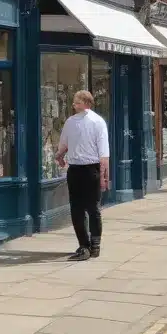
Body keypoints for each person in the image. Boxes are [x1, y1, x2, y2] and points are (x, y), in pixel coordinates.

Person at [54, 90, 110, 261]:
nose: (73, 105)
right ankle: (94, 245)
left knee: (78, 209)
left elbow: (62, 146)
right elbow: (104, 154)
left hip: (78, 170)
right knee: (93, 208)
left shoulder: (74, 122)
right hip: (89, 169)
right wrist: (103, 176)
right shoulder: (98, 122)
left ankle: (84, 245)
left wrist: (60, 157)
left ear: (86, 102)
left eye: (76, 102)